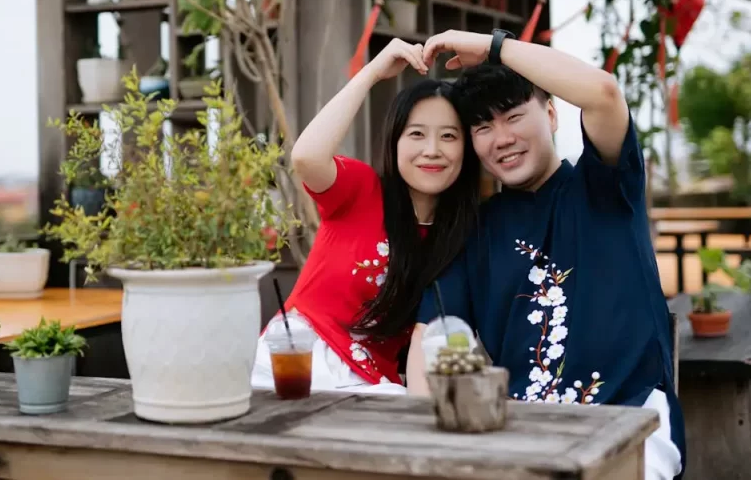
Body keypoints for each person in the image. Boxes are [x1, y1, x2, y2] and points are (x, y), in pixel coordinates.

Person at [406, 29, 685, 480]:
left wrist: (494, 47)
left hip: (631, 422)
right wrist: (429, 437)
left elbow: (603, 92)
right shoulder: (474, 231)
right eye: (482, 127)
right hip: (521, 434)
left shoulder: (606, 188)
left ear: (552, 114)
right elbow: (429, 335)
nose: (501, 138)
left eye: (514, 116)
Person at [250, 38, 480, 394]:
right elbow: (306, 157)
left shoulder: (461, 237)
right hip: (297, 362)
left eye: (449, 136)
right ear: (395, 143)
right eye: (416, 134)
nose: (432, 151)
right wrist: (371, 73)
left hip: (373, 388)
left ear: (467, 149)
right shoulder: (361, 189)